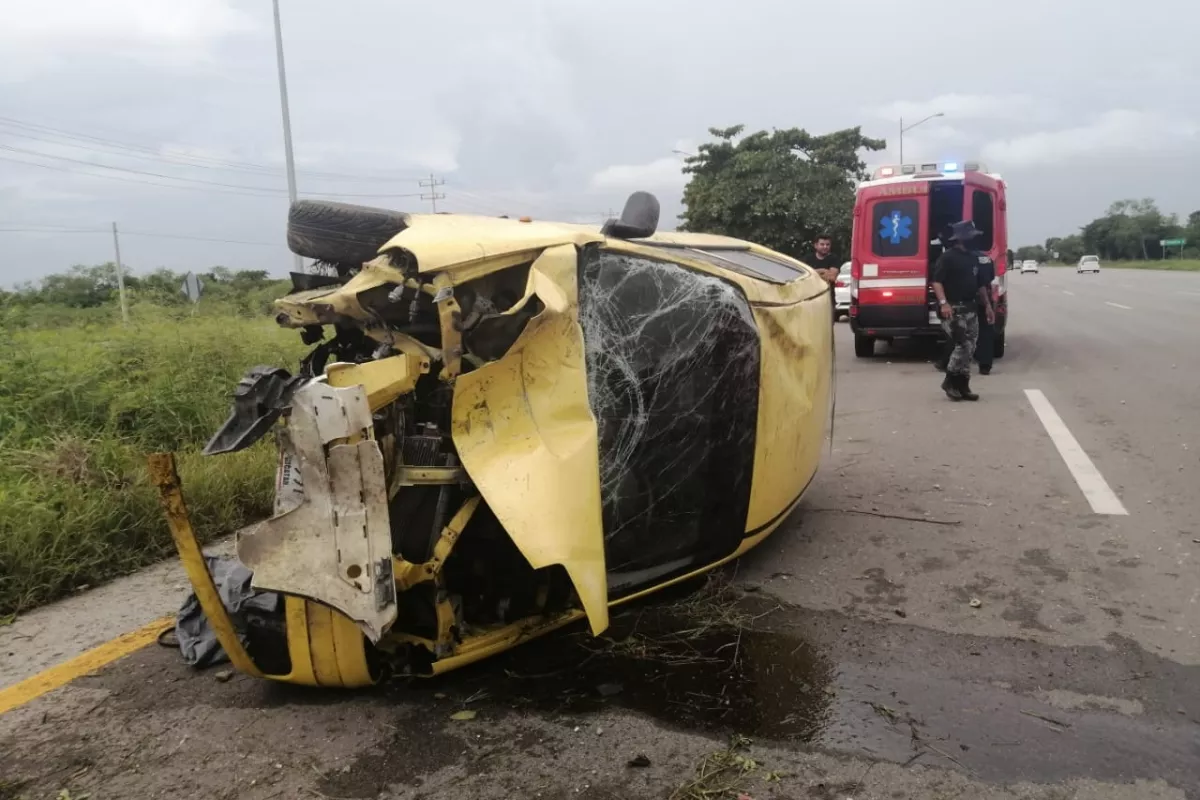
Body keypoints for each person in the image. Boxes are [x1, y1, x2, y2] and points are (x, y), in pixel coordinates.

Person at [931, 220, 995, 401]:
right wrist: (944, 303)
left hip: (971, 308)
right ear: (961, 238)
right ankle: (950, 380)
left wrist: (988, 306)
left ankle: (963, 384)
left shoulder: (973, 258)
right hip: (953, 308)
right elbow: (937, 282)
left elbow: (981, 285)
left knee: (971, 347)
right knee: (962, 345)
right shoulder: (948, 257)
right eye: (972, 236)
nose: (975, 239)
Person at [809, 233, 841, 322]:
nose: (825, 247)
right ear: (816, 245)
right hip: (810, 300)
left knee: (828, 329)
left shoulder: (834, 258)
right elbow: (804, 276)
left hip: (828, 300)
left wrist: (813, 272)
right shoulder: (808, 259)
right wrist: (823, 270)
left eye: (827, 244)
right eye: (822, 244)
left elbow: (832, 277)